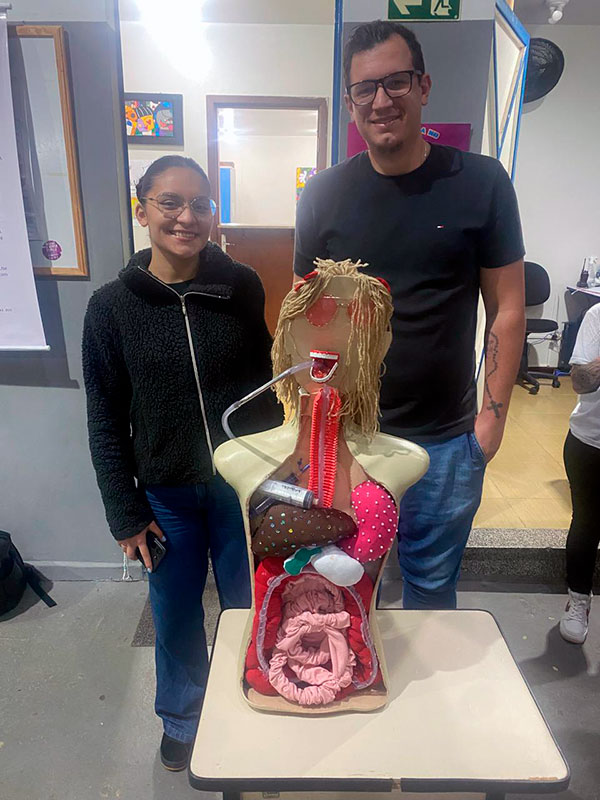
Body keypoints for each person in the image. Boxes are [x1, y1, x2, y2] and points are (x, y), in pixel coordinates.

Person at [294, 20, 525, 610]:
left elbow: (506, 307)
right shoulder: (322, 195)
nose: (381, 100)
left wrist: (491, 422)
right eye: (364, 89)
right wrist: (312, 430)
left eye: (396, 82)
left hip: (446, 442)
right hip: (350, 438)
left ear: (423, 86)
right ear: (350, 103)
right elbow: (304, 317)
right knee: (345, 587)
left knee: (431, 588)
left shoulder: (482, 183)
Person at [82, 155, 281, 770]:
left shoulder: (241, 285)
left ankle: (257, 693)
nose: (186, 217)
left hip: (240, 485)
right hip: (165, 493)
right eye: (170, 202)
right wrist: (124, 511)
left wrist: (278, 467)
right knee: (173, 613)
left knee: (253, 599)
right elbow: (104, 416)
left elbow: (265, 384)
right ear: (142, 209)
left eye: (200, 204)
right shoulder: (111, 307)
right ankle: (183, 716)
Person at [560, 303, 600, 644]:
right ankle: (578, 601)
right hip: (591, 442)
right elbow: (579, 382)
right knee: (586, 523)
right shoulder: (597, 316)